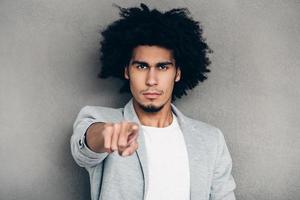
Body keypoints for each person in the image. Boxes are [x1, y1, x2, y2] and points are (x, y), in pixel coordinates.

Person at [71, 3, 236, 200]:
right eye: (141, 66)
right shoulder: (101, 119)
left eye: (163, 67)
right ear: (126, 71)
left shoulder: (211, 140)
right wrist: (108, 135)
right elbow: (85, 148)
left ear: (177, 73)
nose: (151, 80)